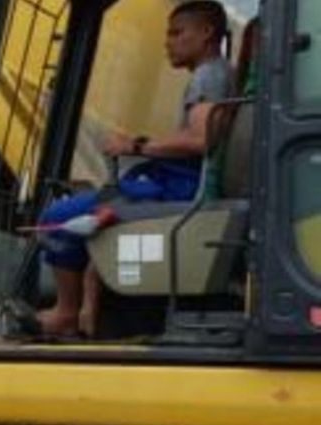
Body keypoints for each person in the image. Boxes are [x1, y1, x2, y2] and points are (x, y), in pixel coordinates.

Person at [34, 0, 233, 338]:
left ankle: (65, 312)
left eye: (176, 32)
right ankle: (87, 307)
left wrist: (135, 146)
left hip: (181, 188)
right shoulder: (217, 74)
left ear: (206, 32)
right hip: (178, 180)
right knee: (100, 201)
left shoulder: (208, 75)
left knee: (56, 219)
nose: (167, 41)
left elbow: (201, 141)